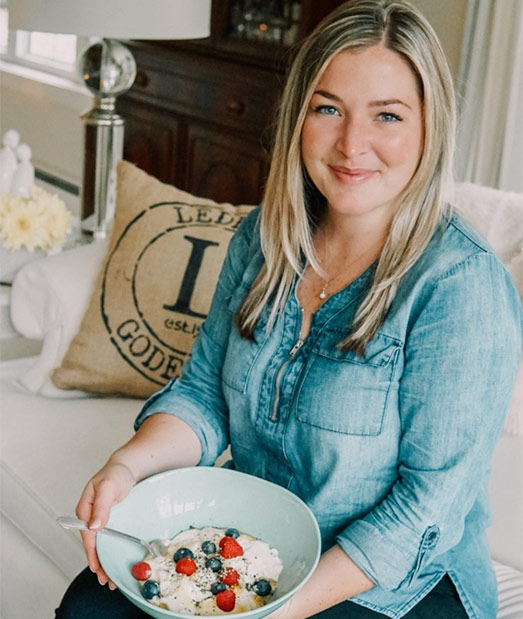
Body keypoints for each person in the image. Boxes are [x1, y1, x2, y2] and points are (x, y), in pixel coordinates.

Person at [56, 1, 521, 617]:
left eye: (387, 115)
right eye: (328, 108)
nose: (352, 144)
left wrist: (273, 612)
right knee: (90, 606)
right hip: (261, 548)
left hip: (395, 585)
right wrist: (125, 467)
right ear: (298, 117)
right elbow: (204, 397)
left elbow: (427, 506)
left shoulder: (460, 285)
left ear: (430, 129)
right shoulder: (262, 240)